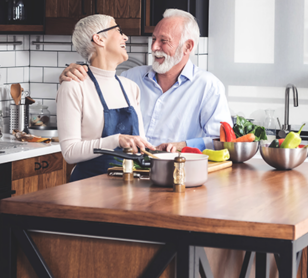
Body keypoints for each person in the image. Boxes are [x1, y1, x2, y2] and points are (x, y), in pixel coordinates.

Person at [60, 9, 230, 152]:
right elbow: (95, 89)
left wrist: (183, 145)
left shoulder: (208, 86)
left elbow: (222, 141)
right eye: (154, 39)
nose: (154, 47)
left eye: (163, 41)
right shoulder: (130, 78)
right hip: (129, 174)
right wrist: (75, 73)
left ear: (188, 47)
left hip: (177, 173)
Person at [56, 14, 156, 182]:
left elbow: (140, 143)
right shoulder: (73, 86)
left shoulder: (130, 87)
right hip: (88, 188)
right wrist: (116, 140)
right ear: (99, 39)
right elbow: (70, 153)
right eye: (119, 31)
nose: (126, 37)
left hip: (129, 185)